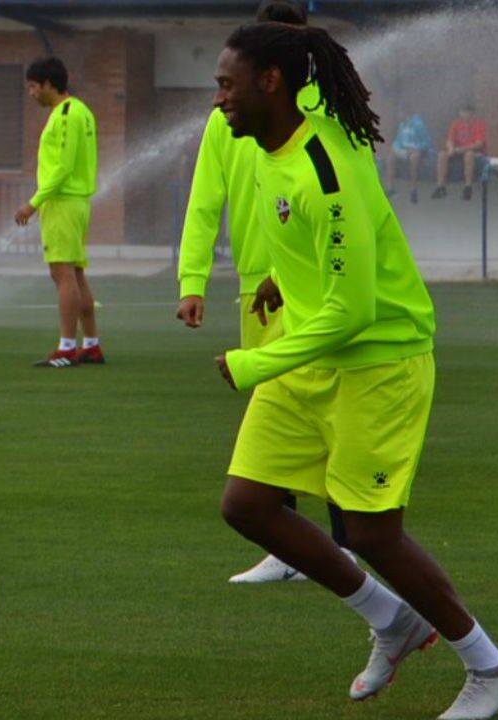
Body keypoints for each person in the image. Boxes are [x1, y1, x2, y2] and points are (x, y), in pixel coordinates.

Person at [210, 22, 498, 719]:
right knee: (247, 505)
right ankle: (392, 619)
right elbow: (314, 249)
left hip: (379, 359)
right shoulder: (267, 143)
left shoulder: (326, 170)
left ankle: (491, 668)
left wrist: (253, 361)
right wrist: (285, 282)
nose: (218, 100)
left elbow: (352, 311)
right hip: (312, 354)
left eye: (227, 85)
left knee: (372, 534)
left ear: (270, 82)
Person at [177, 0, 353, 584]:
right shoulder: (225, 120)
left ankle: (345, 545)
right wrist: (192, 281)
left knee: (330, 412)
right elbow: (204, 202)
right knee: (275, 415)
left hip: (317, 289)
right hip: (259, 290)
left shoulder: (324, 112)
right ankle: (287, 550)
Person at [14, 57, 103, 368]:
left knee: (62, 273)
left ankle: (66, 348)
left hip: (63, 202)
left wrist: (33, 203)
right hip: (76, 203)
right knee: (75, 274)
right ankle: (91, 345)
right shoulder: (82, 111)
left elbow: (63, 167)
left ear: (48, 84)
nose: (31, 94)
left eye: (33, 87)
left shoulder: (66, 114)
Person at [432, 104, 487, 201]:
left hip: (474, 152)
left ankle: (468, 187)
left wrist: (462, 149)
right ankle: (441, 187)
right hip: (457, 150)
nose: (463, 114)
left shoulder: (479, 124)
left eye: (465, 112)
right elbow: (450, 139)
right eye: (461, 112)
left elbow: (479, 144)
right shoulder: (456, 124)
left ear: (471, 113)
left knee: (469, 155)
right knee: (442, 155)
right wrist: (450, 148)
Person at [387, 112, 432, 203]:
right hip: (404, 150)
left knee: (414, 158)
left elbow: (427, 142)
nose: (399, 115)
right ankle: (391, 188)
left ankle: (413, 190)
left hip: (416, 150)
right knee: (390, 156)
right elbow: (397, 141)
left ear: (406, 113)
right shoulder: (402, 125)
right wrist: (396, 148)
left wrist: (416, 148)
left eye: (400, 113)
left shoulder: (418, 125)